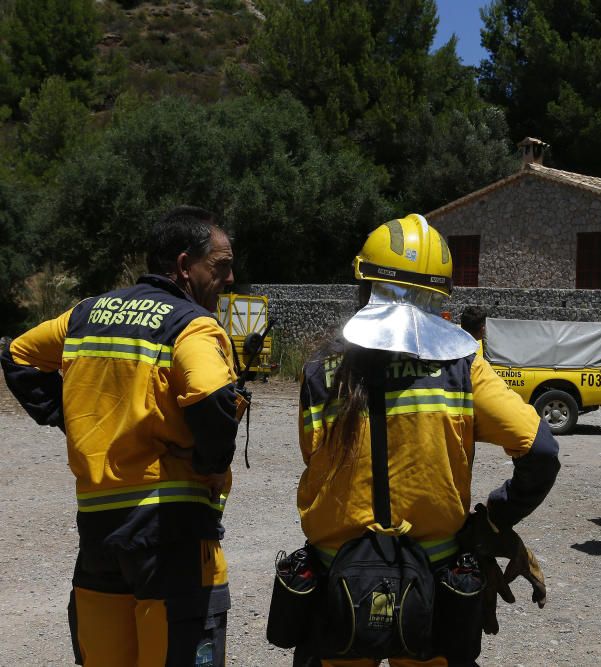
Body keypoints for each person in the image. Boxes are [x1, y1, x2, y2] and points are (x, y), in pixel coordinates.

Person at [294, 214, 560, 666]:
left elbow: (313, 456)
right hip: (435, 585)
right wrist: (496, 518)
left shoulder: (322, 368)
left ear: (364, 284)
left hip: (339, 582)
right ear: (439, 296)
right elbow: (540, 450)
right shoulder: (463, 363)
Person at [1, 206, 242, 666]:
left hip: (99, 532)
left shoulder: (86, 314)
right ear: (184, 265)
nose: (230, 278)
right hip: (168, 532)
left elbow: (18, 355)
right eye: (221, 266)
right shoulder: (190, 325)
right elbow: (212, 395)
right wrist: (208, 464)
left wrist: (74, 418)